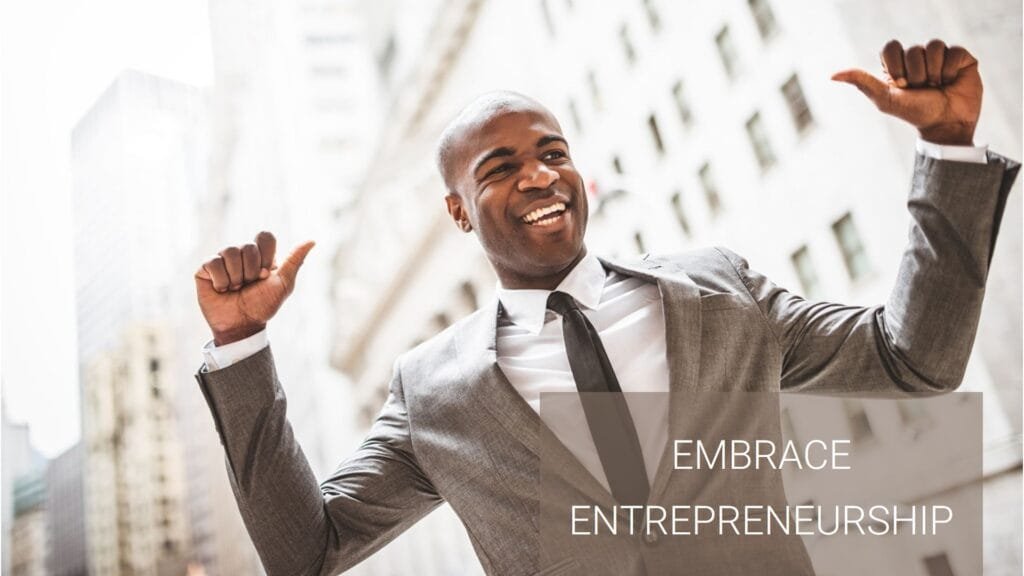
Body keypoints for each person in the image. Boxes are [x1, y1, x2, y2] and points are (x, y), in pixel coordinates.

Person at [193, 39, 1018, 575]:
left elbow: (915, 358)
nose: (540, 176)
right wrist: (240, 345)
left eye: (553, 154)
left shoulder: (719, 293)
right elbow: (308, 551)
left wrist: (946, 151)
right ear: (457, 212)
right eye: (500, 167)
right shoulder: (433, 390)